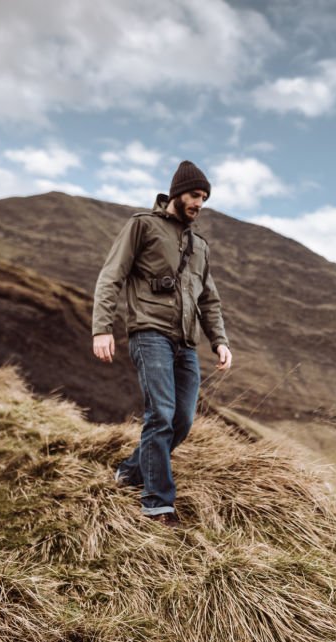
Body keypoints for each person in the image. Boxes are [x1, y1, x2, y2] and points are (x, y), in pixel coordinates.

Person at [91, 160, 232, 528]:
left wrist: (219, 341)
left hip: (186, 343)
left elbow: (209, 299)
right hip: (149, 333)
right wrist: (101, 328)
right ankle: (156, 503)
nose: (199, 203)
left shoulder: (199, 246)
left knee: (182, 420)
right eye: (194, 195)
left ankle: (128, 471)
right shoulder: (143, 226)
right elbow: (111, 276)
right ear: (176, 194)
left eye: (204, 198)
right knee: (161, 414)